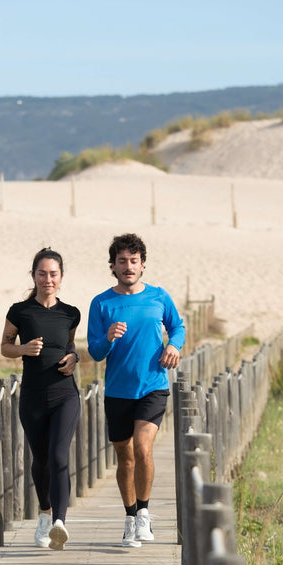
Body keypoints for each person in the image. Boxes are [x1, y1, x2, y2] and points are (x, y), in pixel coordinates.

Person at [87, 233, 185, 548]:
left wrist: (174, 345)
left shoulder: (158, 296)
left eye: (134, 261)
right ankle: (130, 518)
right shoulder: (101, 303)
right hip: (117, 391)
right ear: (112, 266)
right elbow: (95, 351)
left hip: (152, 386)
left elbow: (178, 326)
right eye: (122, 261)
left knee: (143, 450)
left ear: (143, 264)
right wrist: (109, 337)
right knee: (125, 458)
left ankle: (143, 513)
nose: (128, 266)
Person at [0, 247, 81, 551]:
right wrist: (23, 350)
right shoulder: (19, 311)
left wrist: (73, 357)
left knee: (59, 456)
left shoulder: (71, 313)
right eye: (42, 273)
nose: (48, 279)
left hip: (65, 395)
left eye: (53, 274)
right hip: (33, 396)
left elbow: (70, 344)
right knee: (41, 460)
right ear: (33, 275)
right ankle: (45, 514)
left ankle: (60, 522)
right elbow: (5, 346)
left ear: (61, 277)